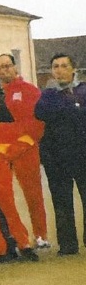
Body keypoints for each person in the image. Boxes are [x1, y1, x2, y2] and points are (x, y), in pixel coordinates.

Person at [0, 53, 49, 249]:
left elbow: (38, 122)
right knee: (4, 196)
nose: (5, 70)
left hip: (26, 149)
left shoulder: (30, 90)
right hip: (2, 152)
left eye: (8, 65)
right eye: (0, 67)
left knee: (33, 194)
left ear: (15, 67)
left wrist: (24, 143)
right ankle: (13, 238)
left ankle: (41, 235)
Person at [34, 53, 86, 256]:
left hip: (82, 154)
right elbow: (40, 112)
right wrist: (74, 107)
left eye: (64, 65)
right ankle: (68, 244)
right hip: (56, 158)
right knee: (61, 201)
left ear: (74, 69)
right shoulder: (47, 95)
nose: (60, 70)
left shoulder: (83, 90)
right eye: (55, 66)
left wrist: (66, 109)